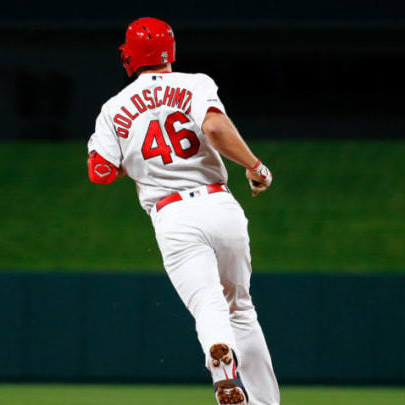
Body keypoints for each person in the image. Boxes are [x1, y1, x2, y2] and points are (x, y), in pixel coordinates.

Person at [86, 17, 280, 405]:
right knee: (240, 308)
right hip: (219, 203)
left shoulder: (113, 108)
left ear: (130, 55)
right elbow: (215, 128)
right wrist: (255, 167)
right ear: (169, 51)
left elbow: (100, 171)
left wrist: (133, 159)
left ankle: (220, 359)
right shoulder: (196, 83)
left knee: (208, 302)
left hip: (173, 215)